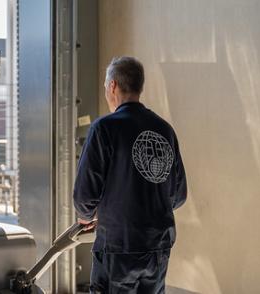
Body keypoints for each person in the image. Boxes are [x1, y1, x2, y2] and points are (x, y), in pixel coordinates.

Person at [73, 56, 187, 293]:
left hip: (118, 246)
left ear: (113, 85)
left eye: (106, 87)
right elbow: (178, 195)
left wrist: (85, 216)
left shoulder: (104, 128)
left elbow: (85, 194)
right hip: (158, 247)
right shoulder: (165, 130)